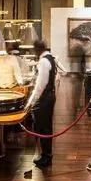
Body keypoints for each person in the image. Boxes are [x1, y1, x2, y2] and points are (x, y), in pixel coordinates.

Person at [25, 40, 57, 168]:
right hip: (49, 96)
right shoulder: (50, 57)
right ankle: (46, 155)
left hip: (44, 98)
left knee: (43, 127)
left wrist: (30, 102)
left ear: (38, 49)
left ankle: (46, 157)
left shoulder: (43, 61)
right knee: (46, 127)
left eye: (34, 49)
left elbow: (40, 86)